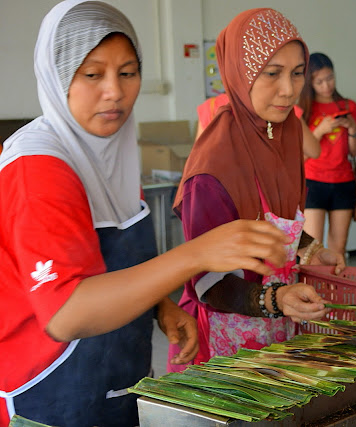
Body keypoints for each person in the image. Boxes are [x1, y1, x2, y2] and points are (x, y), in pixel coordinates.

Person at [0, 1, 297, 426]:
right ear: (57, 75)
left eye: (127, 72)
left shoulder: (109, 153)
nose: (115, 92)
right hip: (47, 395)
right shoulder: (38, 167)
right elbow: (67, 313)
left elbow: (111, 260)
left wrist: (160, 306)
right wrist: (195, 255)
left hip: (116, 382)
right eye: (92, 74)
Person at [167, 8, 345, 372]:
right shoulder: (214, 165)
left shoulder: (288, 131)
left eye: (298, 74)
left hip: (280, 328)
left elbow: (279, 224)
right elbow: (209, 283)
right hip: (228, 340)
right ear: (240, 73)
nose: (288, 90)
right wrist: (275, 299)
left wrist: (313, 250)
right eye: (271, 74)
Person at [298, 53, 356, 256]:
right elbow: (300, 158)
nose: (327, 86)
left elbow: (354, 152)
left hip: (343, 182)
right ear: (310, 82)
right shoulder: (303, 111)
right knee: (312, 250)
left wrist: (352, 128)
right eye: (320, 81)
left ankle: (335, 289)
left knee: (338, 249)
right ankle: (313, 289)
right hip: (313, 182)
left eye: (330, 78)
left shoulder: (348, 106)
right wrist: (320, 130)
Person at [195, 93, 321, 159]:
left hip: (222, 194)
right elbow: (314, 151)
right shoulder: (283, 107)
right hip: (267, 196)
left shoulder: (211, 106)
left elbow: (198, 158)